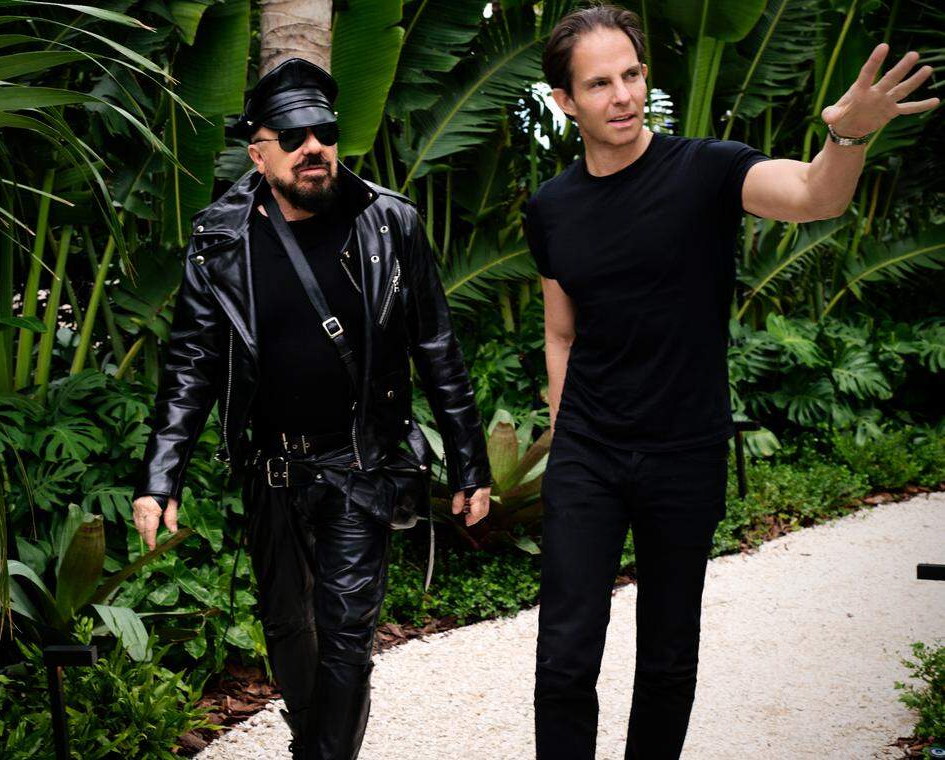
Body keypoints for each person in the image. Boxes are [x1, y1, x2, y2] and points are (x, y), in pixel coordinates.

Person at [524, 6, 938, 759]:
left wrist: (847, 136)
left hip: (684, 450)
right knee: (563, 658)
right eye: (599, 83)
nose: (622, 95)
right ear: (564, 101)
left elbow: (818, 195)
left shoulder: (705, 170)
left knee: (668, 652)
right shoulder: (551, 208)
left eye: (632, 75)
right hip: (589, 454)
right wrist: (566, 424)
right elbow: (560, 330)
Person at [130, 58, 492, 760]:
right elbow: (190, 366)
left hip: (360, 464)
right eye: (291, 136)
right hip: (271, 470)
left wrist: (470, 462)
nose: (312, 147)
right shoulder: (218, 239)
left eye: (323, 131)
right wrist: (160, 477)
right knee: (289, 628)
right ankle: (316, 740)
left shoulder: (391, 225)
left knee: (348, 636)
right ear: (256, 151)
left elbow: (437, 348)